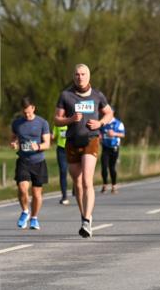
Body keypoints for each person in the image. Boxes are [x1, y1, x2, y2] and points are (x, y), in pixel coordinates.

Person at [54, 64, 113, 238]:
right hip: (72, 141)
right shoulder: (66, 95)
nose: (80, 77)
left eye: (83, 74)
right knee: (78, 184)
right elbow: (57, 120)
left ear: (89, 76)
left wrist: (100, 123)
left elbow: (109, 113)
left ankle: (86, 221)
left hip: (91, 139)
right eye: (77, 74)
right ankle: (84, 216)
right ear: (73, 76)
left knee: (87, 181)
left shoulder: (97, 95)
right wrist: (70, 119)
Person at [11, 96, 51, 230]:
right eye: (24, 112)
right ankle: (25, 211)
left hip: (38, 161)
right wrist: (14, 143)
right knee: (22, 188)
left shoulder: (42, 123)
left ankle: (34, 218)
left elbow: (47, 144)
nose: (27, 115)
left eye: (29, 111)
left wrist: (38, 147)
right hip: (23, 160)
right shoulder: (17, 123)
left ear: (33, 108)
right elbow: (14, 137)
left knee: (36, 194)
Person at [99, 109, 125, 194]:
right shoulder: (103, 123)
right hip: (105, 147)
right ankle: (105, 184)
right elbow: (99, 132)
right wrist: (99, 137)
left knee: (112, 167)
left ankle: (114, 185)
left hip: (114, 147)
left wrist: (114, 134)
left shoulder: (118, 123)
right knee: (104, 166)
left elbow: (122, 134)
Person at [52, 120, 70, 204]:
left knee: (75, 170)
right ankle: (64, 196)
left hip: (72, 148)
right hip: (61, 149)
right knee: (63, 171)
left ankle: (76, 189)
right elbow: (53, 136)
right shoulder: (58, 123)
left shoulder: (72, 121)